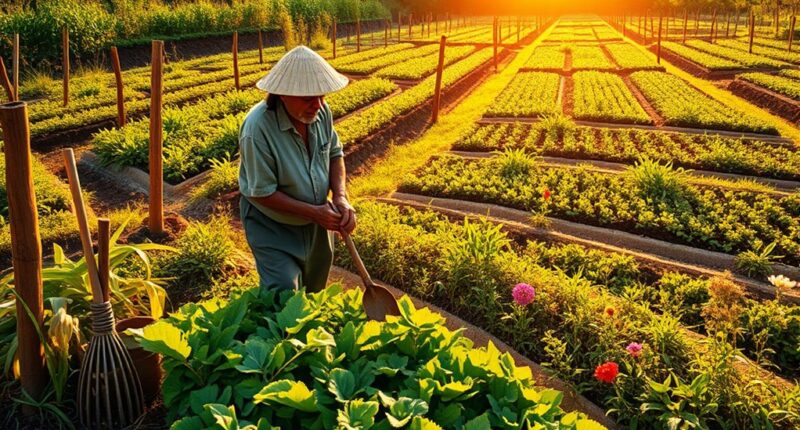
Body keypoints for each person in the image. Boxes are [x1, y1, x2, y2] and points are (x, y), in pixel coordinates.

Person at [238, 45, 356, 293]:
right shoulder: (257, 130)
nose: (318, 104)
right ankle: (278, 332)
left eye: (322, 96)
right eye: (308, 98)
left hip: (317, 221)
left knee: (315, 289)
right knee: (283, 291)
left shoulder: (321, 113)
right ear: (282, 94)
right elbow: (262, 192)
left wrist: (341, 198)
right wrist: (314, 212)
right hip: (272, 224)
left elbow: (335, 154)